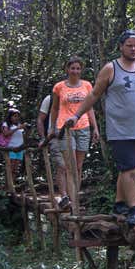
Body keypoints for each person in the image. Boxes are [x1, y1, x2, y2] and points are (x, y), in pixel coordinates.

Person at [65, 30, 135, 225]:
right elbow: (94, 95)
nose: (134, 49)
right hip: (120, 131)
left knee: (128, 169)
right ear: (121, 47)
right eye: (129, 45)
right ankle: (133, 209)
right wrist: (77, 115)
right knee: (130, 170)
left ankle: (119, 202)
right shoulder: (111, 69)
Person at [50, 56, 100, 210]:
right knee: (69, 166)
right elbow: (55, 108)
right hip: (65, 128)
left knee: (78, 166)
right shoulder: (59, 87)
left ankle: (74, 196)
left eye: (78, 68)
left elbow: (90, 107)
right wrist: (53, 128)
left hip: (83, 127)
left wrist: (95, 128)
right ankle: (68, 198)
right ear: (67, 69)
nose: (75, 71)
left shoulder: (87, 85)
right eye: (72, 68)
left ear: (81, 70)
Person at [1, 107, 26, 178]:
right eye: (15, 116)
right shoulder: (6, 124)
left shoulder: (19, 125)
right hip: (11, 148)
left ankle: (13, 185)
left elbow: (24, 136)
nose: (17, 118)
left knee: (15, 168)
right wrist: (17, 128)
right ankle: (8, 185)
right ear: (10, 116)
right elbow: (5, 134)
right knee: (10, 167)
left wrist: (27, 129)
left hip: (20, 148)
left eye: (18, 116)